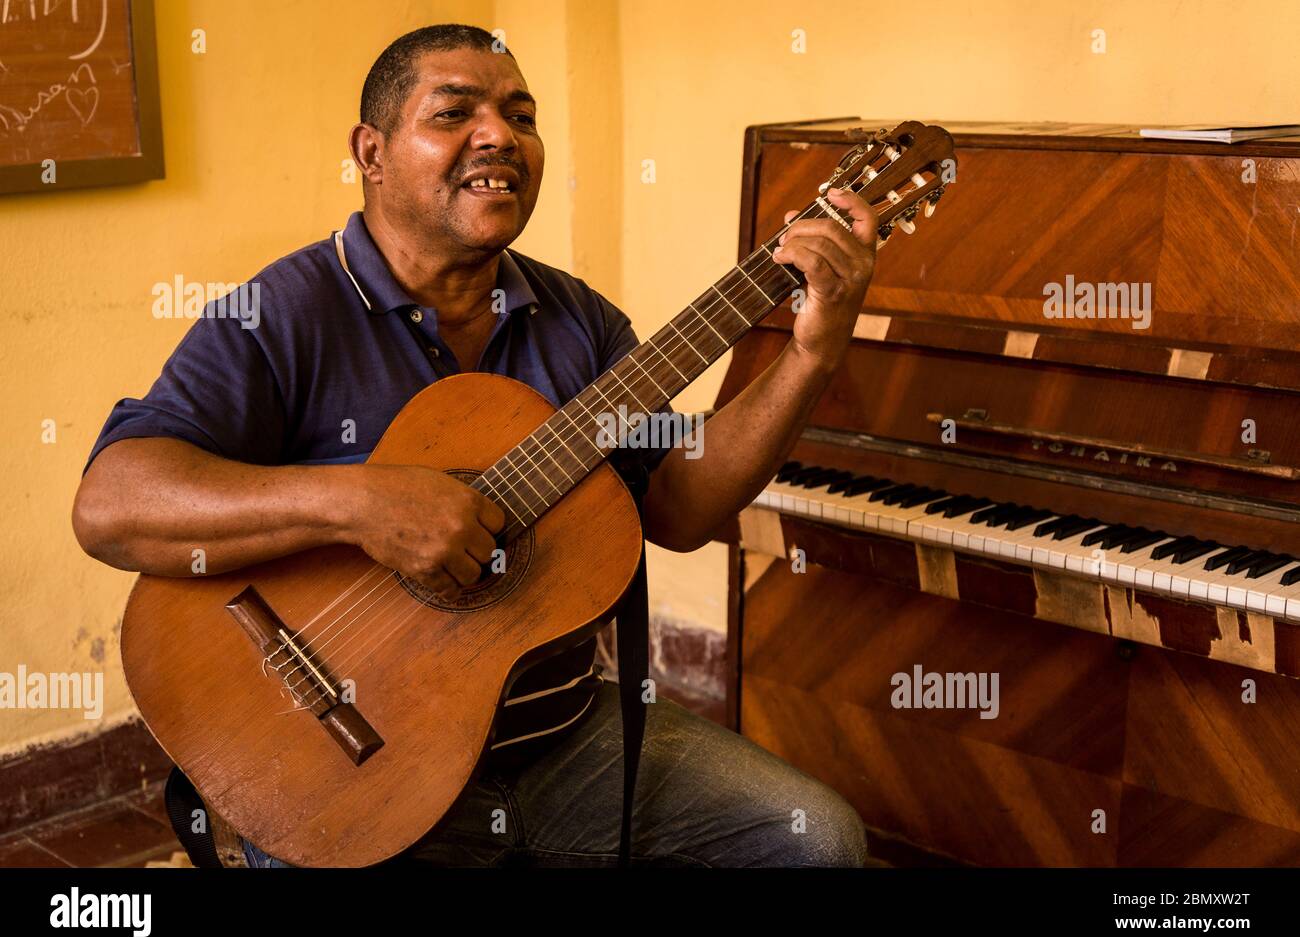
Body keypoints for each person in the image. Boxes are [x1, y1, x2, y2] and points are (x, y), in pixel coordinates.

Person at [72, 24, 879, 867]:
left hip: (565, 740)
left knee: (817, 839)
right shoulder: (282, 313)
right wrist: (360, 503)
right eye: (455, 111)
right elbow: (112, 503)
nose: (500, 134)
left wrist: (812, 350)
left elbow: (679, 506)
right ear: (372, 153)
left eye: (521, 115)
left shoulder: (584, 324)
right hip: (348, 772)